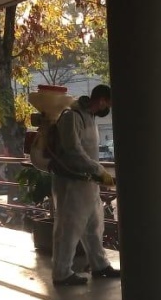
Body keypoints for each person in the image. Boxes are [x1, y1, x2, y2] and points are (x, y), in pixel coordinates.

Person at [50, 84, 120, 286]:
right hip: (71, 183)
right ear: (102, 99)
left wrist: (98, 175)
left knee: (94, 225)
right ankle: (61, 273)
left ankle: (100, 266)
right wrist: (99, 171)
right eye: (108, 103)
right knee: (68, 228)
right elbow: (73, 152)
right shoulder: (72, 117)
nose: (108, 108)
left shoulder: (90, 117)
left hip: (88, 183)